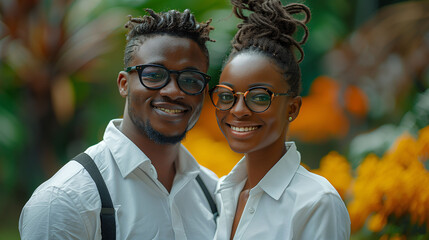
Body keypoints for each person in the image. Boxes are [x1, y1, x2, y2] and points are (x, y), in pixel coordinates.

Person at [19, 9, 218, 240]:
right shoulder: (66, 200)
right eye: (154, 75)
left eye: (190, 80)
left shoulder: (214, 193)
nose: (173, 91)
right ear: (124, 84)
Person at [209, 0, 351, 239]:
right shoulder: (220, 192)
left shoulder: (316, 203)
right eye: (226, 96)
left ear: (292, 108)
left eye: (259, 97)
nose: (238, 110)